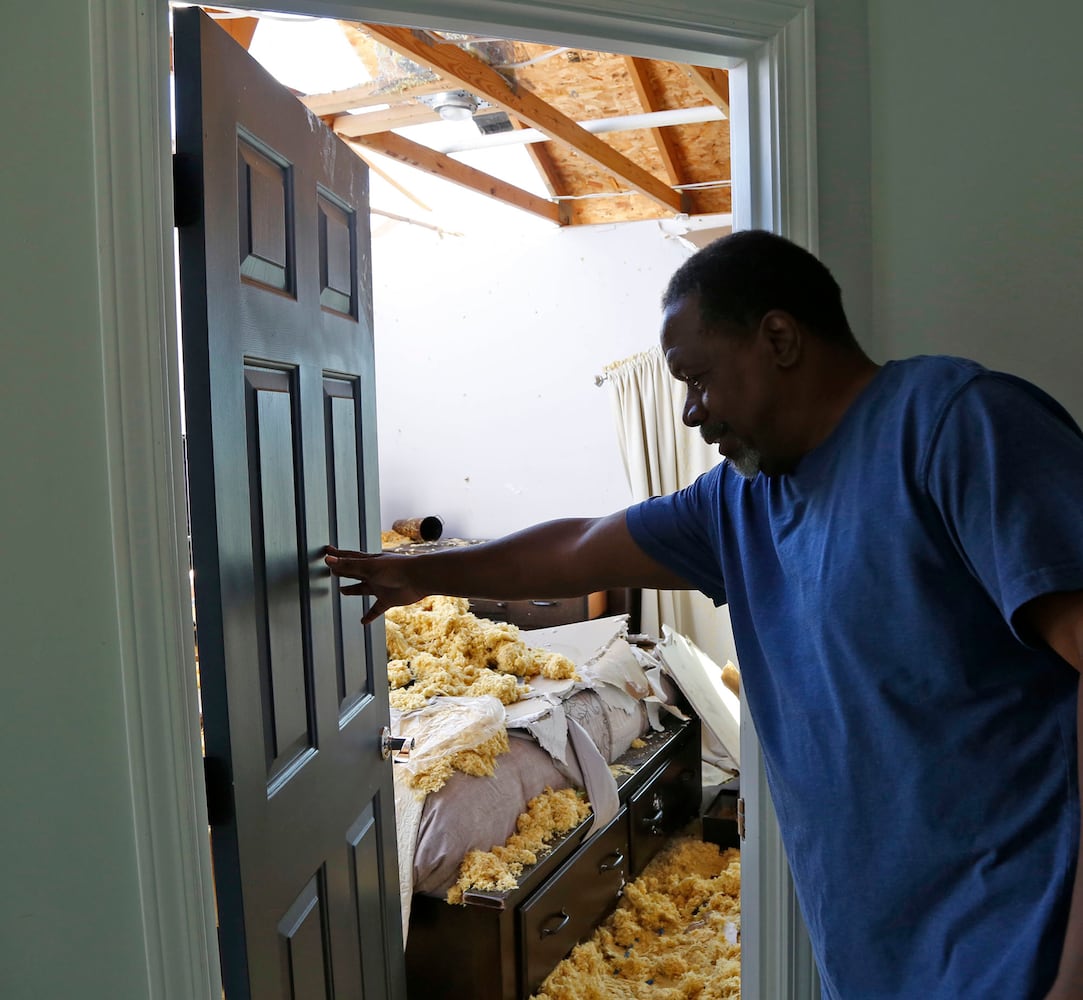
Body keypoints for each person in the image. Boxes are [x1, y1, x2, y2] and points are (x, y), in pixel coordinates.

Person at [325, 230, 1083, 999]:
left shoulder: (954, 428)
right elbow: (577, 548)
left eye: (697, 379)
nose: (689, 413)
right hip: (875, 957)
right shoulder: (740, 504)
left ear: (778, 338)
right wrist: (420, 572)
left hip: (1024, 948)